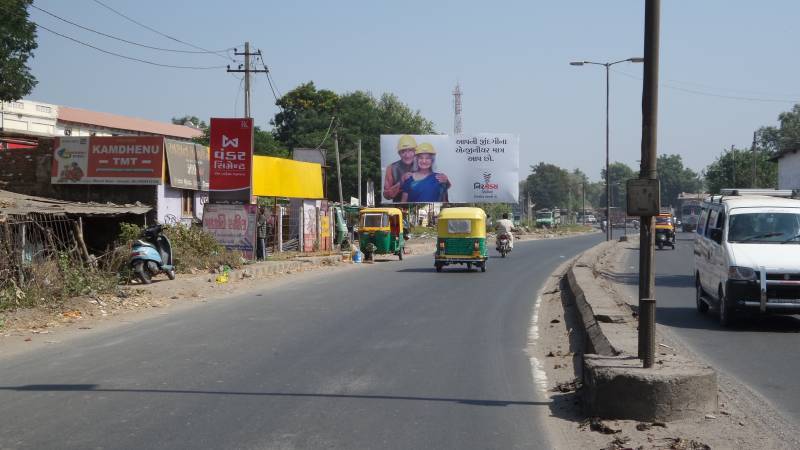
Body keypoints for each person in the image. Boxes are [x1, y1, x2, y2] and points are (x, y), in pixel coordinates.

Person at [383, 135, 418, 202]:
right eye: (403, 151)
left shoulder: (422, 165)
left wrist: (444, 182)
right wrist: (401, 183)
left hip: (418, 205)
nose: (407, 155)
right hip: (399, 207)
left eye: (410, 150)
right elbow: (386, 195)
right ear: (399, 153)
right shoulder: (391, 168)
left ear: (415, 152)